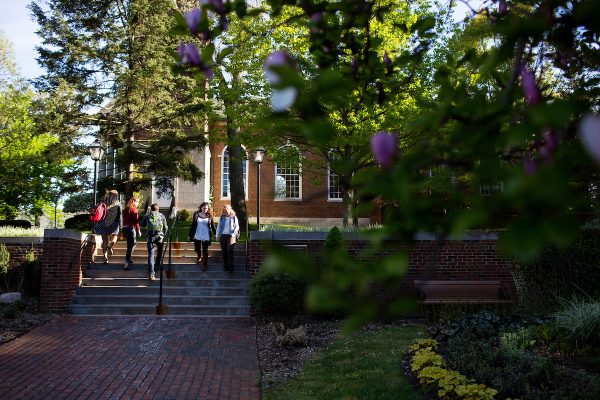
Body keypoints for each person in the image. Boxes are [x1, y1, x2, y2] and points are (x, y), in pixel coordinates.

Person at [93, 189, 122, 264]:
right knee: (115, 235)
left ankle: (105, 257)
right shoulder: (118, 203)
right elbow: (120, 216)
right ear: (116, 195)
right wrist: (121, 226)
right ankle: (110, 245)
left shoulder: (103, 201)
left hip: (102, 223)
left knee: (105, 240)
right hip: (113, 223)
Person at [140, 203, 167, 281]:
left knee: (151, 255)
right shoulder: (162, 216)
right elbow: (166, 227)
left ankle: (151, 273)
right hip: (159, 236)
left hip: (150, 237)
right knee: (159, 252)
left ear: (151, 209)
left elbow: (142, 224)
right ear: (158, 209)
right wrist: (163, 235)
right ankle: (157, 266)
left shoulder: (147, 216)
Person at [188, 202, 216, 272]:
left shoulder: (209, 216)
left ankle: (204, 265)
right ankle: (199, 255)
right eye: (203, 208)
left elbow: (213, 226)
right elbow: (193, 225)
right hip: (197, 234)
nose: (205, 209)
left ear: (208, 208)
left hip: (206, 234)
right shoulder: (196, 214)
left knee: (205, 251)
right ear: (201, 208)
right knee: (197, 248)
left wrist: (216, 234)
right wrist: (190, 235)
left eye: (206, 208)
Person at [215, 204, 240, 273]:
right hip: (223, 236)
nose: (224, 212)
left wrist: (235, 231)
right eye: (223, 211)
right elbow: (218, 227)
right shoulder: (221, 217)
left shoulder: (234, 217)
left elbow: (237, 226)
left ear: (229, 210)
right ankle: (226, 265)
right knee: (224, 251)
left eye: (226, 211)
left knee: (230, 250)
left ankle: (231, 268)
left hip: (231, 235)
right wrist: (217, 236)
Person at [122, 196, 142, 271]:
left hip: (125, 228)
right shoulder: (134, 209)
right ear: (134, 201)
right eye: (137, 202)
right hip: (130, 229)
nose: (138, 203)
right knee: (132, 246)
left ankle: (129, 258)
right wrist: (138, 230)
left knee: (130, 245)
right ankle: (126, 264)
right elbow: (136, 221)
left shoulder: (126, 208)